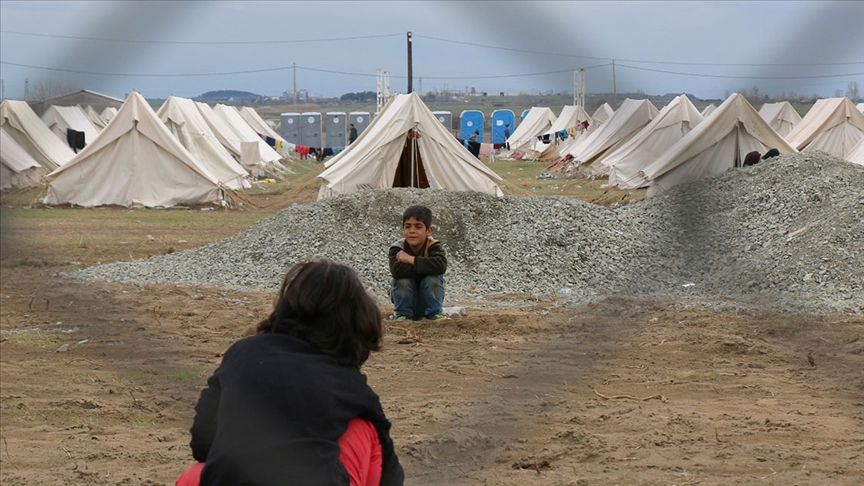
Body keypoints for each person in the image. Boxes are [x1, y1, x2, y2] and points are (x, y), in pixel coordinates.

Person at [176, 260, 404, 486]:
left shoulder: (242, 353)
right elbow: (391, 473)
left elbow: (202, 442)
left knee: (196, 475)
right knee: (364, 428)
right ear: (358, 326)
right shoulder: (348, 383)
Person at [388, 205, 449, 321]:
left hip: (428, 301)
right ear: (403, 230)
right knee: (402, 280)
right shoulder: (397, 248)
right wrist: (426, 267)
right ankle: (402, 314)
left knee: (433, 279)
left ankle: (435, 313)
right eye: (408, 227)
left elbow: (440, 266)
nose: (412, 231)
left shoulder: (433, 246)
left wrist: (412, 260)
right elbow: (397, 271)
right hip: (405, 301)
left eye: (418, 227)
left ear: (429, 231)